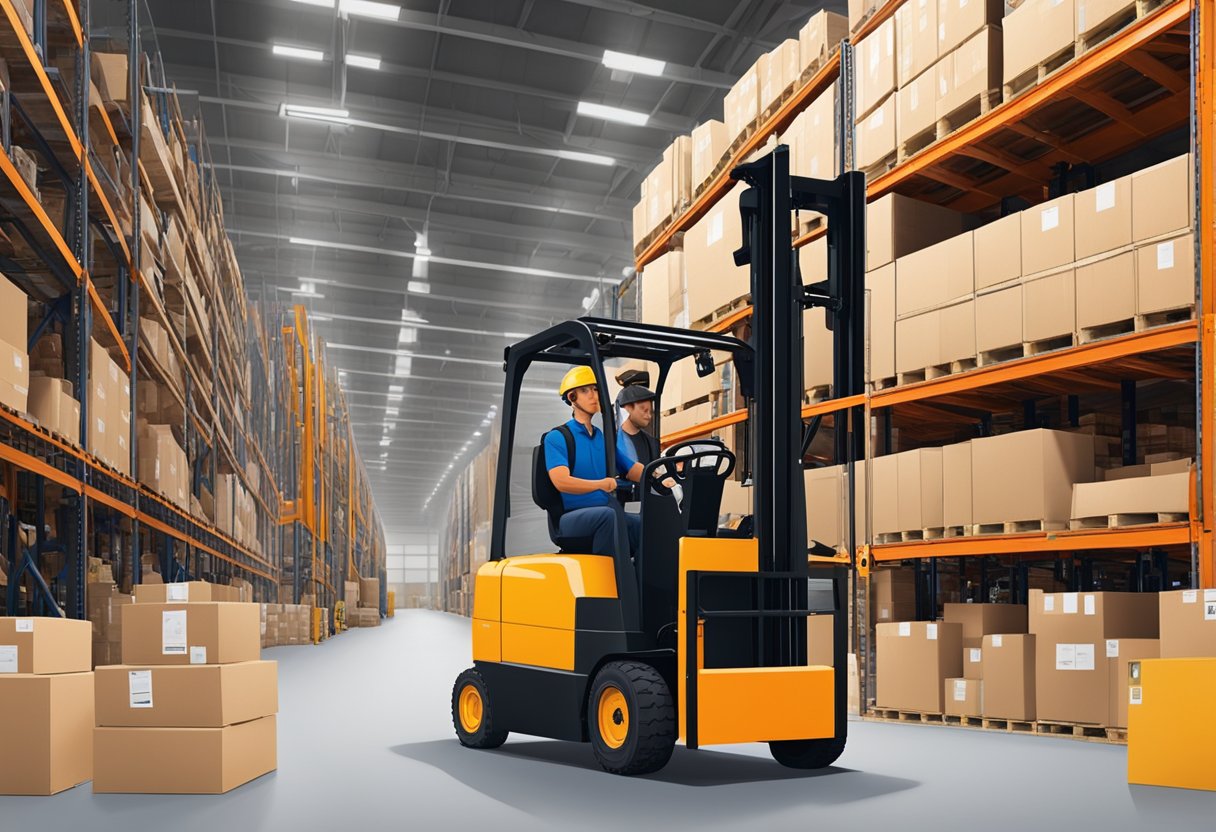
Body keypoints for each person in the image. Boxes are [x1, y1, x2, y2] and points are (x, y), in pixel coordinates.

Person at [544, 366, 644, 558]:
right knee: (608, 517)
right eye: (585, 390)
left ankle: (638, 583)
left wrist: (661, 475)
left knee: (642, 525)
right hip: (570, 518)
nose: (593, 395)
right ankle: (609, 583)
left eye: (595, 389)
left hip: (603, 511)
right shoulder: (557, 438)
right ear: (572, 398)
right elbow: (561, 482)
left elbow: (631, 468)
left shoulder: (602, 438)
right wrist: (602, 484)